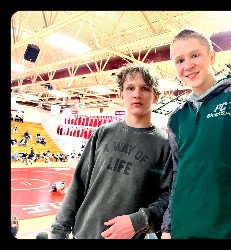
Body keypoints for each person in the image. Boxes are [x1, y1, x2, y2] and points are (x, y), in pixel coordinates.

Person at [50, 63, 173, 239]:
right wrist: (58, 232)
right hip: (83, 234)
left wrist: (139, 220)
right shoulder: (102, 133)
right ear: (121, 94)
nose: (136, 94)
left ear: (156, 97)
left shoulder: (165, 145)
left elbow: (169, 199)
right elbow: (78, 185)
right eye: (130, 88)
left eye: (144, 88)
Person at [161, 28, 231, 240]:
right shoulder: (176, 118)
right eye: (179, 60)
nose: (187, 65)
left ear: (211, 56)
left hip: (229, 231)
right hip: (182, 231)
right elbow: (178, 176)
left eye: (195, 55)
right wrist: (167, 227)